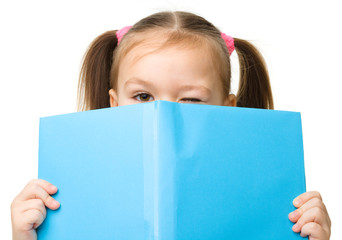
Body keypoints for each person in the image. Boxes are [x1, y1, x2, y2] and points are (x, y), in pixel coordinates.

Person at [11, 11, 331, 240]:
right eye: (142, 95)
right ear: (114, 103)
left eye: (191, 99)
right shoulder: (71, 189)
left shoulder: (267, 195)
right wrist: (23, 236)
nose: (162, 112)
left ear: (228, 107)